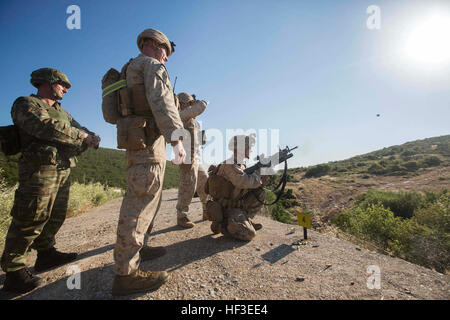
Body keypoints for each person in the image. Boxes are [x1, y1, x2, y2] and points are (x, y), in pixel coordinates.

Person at [1, 68, 100, 294]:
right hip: (38, 168)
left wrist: (90, 135)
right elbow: (45, 126)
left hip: (62, 168)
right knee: (30, 215)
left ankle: (46, 253)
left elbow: (78, 128)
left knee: (56, 214)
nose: (66, 89)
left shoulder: (61, 111)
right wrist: (83, 137)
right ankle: (14, 271)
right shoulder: (26, 103)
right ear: (48, 82)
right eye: (63, 85)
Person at [112, 28, 186, 296]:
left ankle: (139, 248)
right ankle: (126, 274)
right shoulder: (151, 64)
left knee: (145, 199)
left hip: (137, 139)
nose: (166, 58)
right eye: (165, 51)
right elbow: (162, 102)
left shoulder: (129, 67)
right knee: (140, 204)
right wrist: (178, 140)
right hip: (148, 142)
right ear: (154, 45)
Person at [205, 135, 268, 241]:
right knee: (250, 234)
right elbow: (243, 182)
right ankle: (223, 225)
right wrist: (259, 172)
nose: (251, 150)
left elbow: (251, 185)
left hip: (237, 206)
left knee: (259, 193)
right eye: (249, 147)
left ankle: (245, 220)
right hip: (226, 208)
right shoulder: (229, 165)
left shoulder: (241, 165)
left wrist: (264, 172)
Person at [175, 92, 209, 228]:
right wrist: (199, 103)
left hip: (197, 157)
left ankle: (206, 210)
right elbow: (200, 107)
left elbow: (201, 141)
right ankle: (181, 216)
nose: (190, 105)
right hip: (186, 157)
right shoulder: (179, 116)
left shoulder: (194, 122)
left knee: (204, 182)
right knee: (188, 186)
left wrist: (202, 137)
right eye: (189, 103)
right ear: (182, 104)